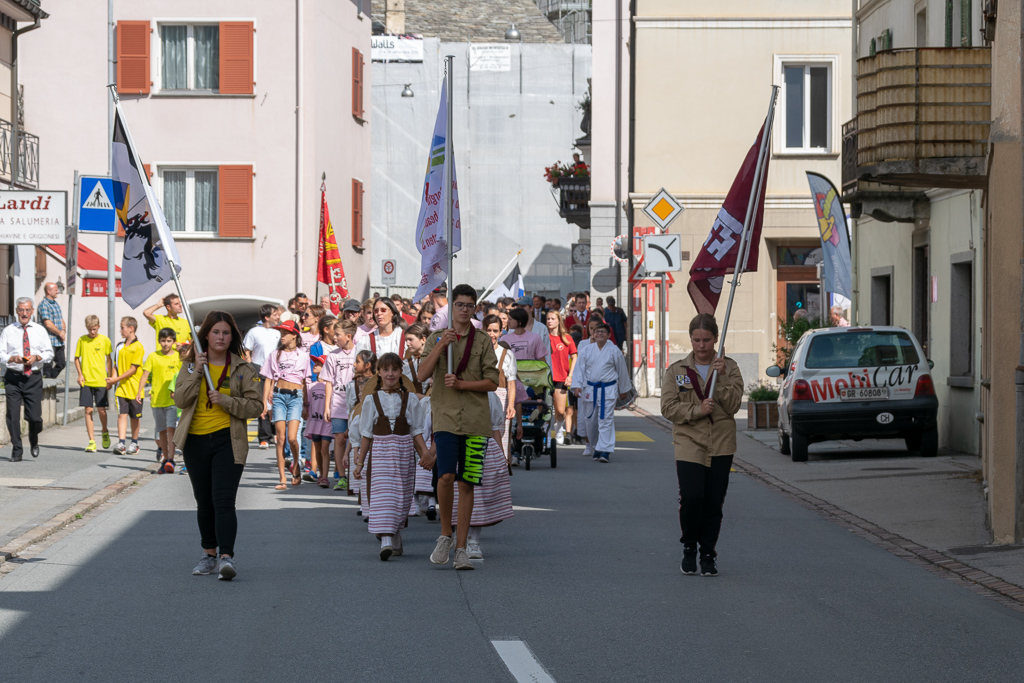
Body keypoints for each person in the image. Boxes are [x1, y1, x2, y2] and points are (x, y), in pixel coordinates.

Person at [174, 311, 263, 581]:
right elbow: (180, 400)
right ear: (206, 336)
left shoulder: (243, 368)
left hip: (228, 440)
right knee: (204, 501)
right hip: (195, 441)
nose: (221, 337)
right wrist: (197, 372)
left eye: (226, 333)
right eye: (215, 332)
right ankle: (208, 554)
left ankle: (226, 557)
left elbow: (256, 406)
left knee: (223, 500)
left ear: (232, 336)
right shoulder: (191, 366)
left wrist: (227, 401)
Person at [417, 284, 500, 570]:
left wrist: (463, 384)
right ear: (451, 307)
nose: (464, 309)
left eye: (469, 305)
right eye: (460, 304)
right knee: (445, 476)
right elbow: (421, 374)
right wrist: (442, 345)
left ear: (475, 309)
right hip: (446, 417)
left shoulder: (482, 341)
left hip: (476, 421)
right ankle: (445, 534)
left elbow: (493, 381)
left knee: (467, 482)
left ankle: (462, 548)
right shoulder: (436, 337)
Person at [660, 313, 743, 578]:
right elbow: (668, 407)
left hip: (721, 442)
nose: (701, 345)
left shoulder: (730, 368)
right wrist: (697, 410)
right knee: (692, 496)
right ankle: (689, 547)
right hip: (689, 441)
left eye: (706, 340)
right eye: (696, 340)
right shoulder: (677, 371)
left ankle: (708, 553)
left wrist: (722, 379)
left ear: (716, 338)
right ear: (691, 339)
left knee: (714, 502)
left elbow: (734, 406)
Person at [354, 353, 429, 560]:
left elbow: (417, 431)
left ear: (401, 372)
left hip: (403, 454)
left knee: (401, 496)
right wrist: (360, 463)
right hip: (380, 455)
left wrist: (425, 455)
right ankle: (385, 540)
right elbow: (366, 434)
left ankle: (395, 537)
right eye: (385, 370)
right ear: (378, 372)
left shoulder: (410, 398)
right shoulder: (371, 400)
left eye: (394, 370)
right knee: (383, 496)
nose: (390, 374)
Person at [450, 390, 513, 559]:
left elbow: (494, 429)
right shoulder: (453, 393)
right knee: (457, 495)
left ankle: (474, 541)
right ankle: (460, 536)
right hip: (458, 445)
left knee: (478, 498)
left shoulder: (489, 396)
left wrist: (501, 455)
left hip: (481, 447)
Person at [0, 298, 53, 461]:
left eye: (27, 310)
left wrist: (37, 357)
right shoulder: (8, 331)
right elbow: (1, 354)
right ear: (17, 311)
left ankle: (34, 439)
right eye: (21, 310)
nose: (24, 313)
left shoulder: (39, 330)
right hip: (13, 378)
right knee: (12, 415)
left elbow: (49, 353)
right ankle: (17, 450)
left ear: (32, 311)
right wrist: (12, 359)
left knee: (35, 417)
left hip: (33, 378)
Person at [260, 320, 310, 489]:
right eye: (281, 333)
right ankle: (282, 478)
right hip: (279, 396)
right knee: (280, 439)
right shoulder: (275, 354)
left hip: (296, 397)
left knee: (292, 438)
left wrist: (306, 404)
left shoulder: (303, 355)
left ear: (294, 335)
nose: (282, 336)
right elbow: (268, 378)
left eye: (285, 333)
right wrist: (264, 402)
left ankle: (296, 465)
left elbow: (305, 382)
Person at [571, 323, 630, 463]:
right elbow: (579, 369)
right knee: (590, 421)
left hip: (607, 390)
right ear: (593, 334)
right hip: (590, 389)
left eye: (603, 332)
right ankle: (596, 446)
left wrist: (624, 389)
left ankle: (605, 450)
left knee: (605, 420)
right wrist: (577, 385)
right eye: (597, 331)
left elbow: (622, 370)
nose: (599, 334)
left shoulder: (614, 350)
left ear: (609, 335)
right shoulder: (586, 350)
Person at [137, 328, 182, 473]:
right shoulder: (153, 356)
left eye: (169, 341)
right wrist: (139, 392)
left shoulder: (178, 357)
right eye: (163, 341)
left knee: (171, 429)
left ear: (173, 341)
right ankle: (165, 458)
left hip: (172, 400)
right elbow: (145, 375)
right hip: (157, 399)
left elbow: (183, 376)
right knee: (161, 430)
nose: (165, 344)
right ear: (159, 341)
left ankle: (171, 460)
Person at [322, 319, 357, 492]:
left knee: (355, 438)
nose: (334, 338)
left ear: (349, 336)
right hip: (337, 403)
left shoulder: (360, 352)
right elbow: (328, 382)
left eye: (338, 335)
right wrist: (327, 407)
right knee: (339, 439)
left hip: (356, 404)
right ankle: (342, 477)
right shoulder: (333, 356)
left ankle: (356, 476)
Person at [242, 304, 281, 448]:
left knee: (276, 401)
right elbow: (246, 350)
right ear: (266, 317)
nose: (278, 317)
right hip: (259, 369)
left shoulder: (279, 332)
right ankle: (264, 437)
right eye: (275, 315)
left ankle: (276, 432)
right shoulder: (254, 332)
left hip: (277, 371)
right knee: (263, 402)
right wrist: (250, 365)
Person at [75, 315, 113, 453]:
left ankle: (104, 430)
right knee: (88, 410)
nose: (92, 332)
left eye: (95, 329)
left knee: (101, 410)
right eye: (90, 329)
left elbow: (109, 359)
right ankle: (91, 441)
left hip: (100, 380)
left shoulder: (104, 340)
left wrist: (110, 377)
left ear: (98, 327)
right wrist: (80, 374)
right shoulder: (82, 340)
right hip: (86, 381)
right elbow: (76, 358)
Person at [109, 317, 144, 456]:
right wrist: (113, 379)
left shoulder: (138, 347)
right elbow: (115, 366)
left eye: (122, 327)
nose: (120, 330)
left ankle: (134, 443)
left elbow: (133, 369)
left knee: (134, 417)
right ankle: (121, 443)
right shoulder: (119, 346)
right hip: (121, 388)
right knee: (121, 415)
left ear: (131, 328)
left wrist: (116, 379)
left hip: (135, 389)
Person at [546, 310, 577, 446]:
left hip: (561, 378)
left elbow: (574, 356)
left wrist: (570, 375)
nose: (549, 321)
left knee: (560, 410)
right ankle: (547, 434)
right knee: (546, 410)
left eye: (552, 319)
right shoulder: (544, 337)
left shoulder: (567, 338)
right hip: (546, 379)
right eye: (548, 319)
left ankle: (558, 428)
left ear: (559, 321)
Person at [304, 355, 334, 488]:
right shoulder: (311, 386)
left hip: (327, 422)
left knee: (324, 449)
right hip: (314, 422)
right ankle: (321, 474)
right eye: (315, 363)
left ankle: (325, 477)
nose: (315, 365)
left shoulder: (331, 385)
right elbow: (308, 404)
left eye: (319, 363)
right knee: (317, 449)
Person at [37, 282, 66, 379]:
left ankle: (50, 382)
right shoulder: (44, 305)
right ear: (48, 291)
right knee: (47, 366)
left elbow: (61, 319)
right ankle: (46, 383)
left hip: (58, 341)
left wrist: (63, 330)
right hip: (49, 340)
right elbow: (48, 324)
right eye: (56, 290)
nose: (58, 292)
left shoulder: (55, 304)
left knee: (61, 363)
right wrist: (60, 333)